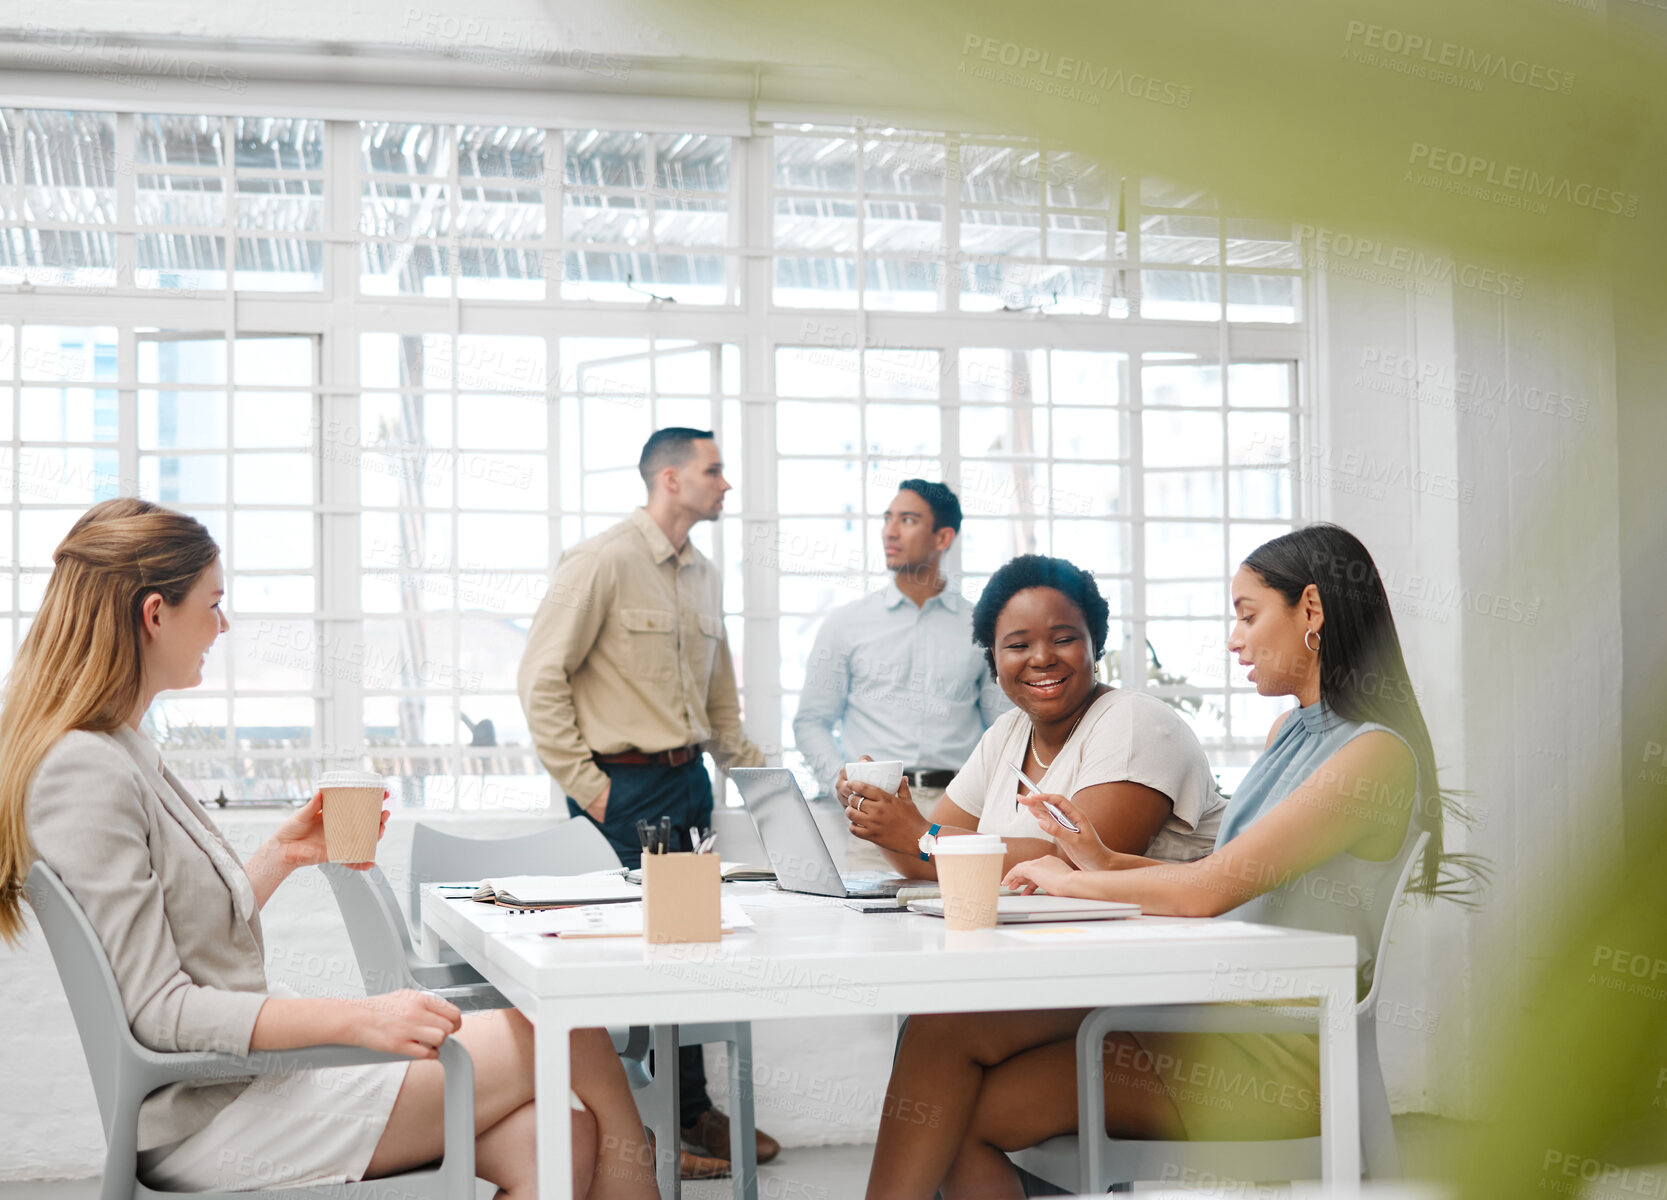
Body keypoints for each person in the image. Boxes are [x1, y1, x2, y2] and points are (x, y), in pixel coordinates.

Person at [0, 499, 656, 1200]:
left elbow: (182, 934)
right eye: (213, 603)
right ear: (155, 614)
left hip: (241, 1086)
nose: (222, 626)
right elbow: (160, 1009)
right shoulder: (86, 769)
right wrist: (361, 1018)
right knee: (570, 1029)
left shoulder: (121, 750)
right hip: (215, 1117)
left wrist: (283, 853)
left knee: (558, 1138)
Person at [864, 524, 1476, 1200]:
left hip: (1271, 1053)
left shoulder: (1372, 755)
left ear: (1310, 609)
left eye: (1247, 615)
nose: (1233, 639)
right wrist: (1098, 858)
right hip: (1205, 1012)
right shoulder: (1290, 732)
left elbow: (1205, 894)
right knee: (941, 1033)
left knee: (949, 1120)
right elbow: (1222, 875)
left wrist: (1078, 878)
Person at [517, 427, 780, 1178]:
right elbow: (541, 677)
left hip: (688, 779)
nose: (726, 484)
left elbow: (720, 703)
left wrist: (766, 785)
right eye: (714, 470)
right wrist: (589, 788)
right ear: (669, 479)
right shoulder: (601, 561)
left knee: (694, 951)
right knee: (636, 956)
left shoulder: (703, 575)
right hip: (622, 788)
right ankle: (645, 1129)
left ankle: (686, 1114)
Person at [840, 554, 1224, 882]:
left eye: (1063, 640)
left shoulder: (1135, 723)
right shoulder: (1007, 733)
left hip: (1162, 949)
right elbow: (924, 859)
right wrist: (882, 815)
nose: (1041, 658)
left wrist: (921, 834)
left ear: (1096, 643)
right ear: (994, 656)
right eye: (1018, 645)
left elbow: (1073, 865)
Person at [792, 480, 1009, 872]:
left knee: (961, 918)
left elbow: (1004, 728)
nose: (890, 531)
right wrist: (839, 782)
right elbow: (811, 721)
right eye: (888, 519)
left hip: (959, 805)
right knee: (873, 928)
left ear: (943, 536)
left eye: (907, 520)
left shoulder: (983, 627)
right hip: (876, 808)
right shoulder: (846, 623)